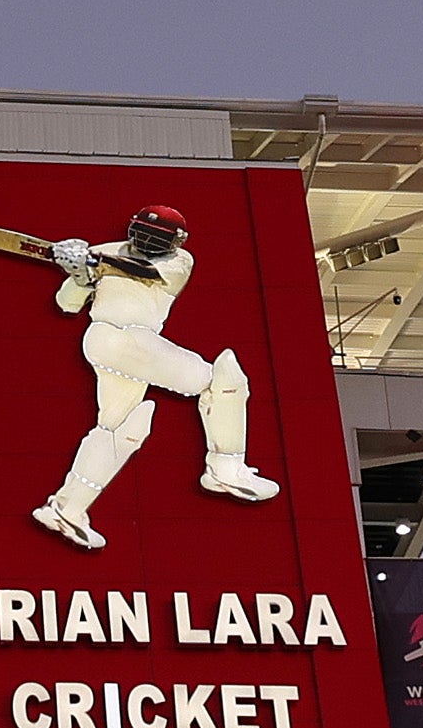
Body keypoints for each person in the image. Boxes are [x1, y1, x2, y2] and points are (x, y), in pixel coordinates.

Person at [23, 201, 278, 550]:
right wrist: (79, 277)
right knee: (223, 382)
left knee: (121, 428)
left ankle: (67, 509)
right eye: (145, 234)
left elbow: (143, 273)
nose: (149, 242)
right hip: (120, 339)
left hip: (123, 344)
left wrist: (93, 264)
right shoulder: (98, 254)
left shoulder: (179, 262)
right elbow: (67, 305)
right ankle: (225, 469)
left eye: (157, 237)